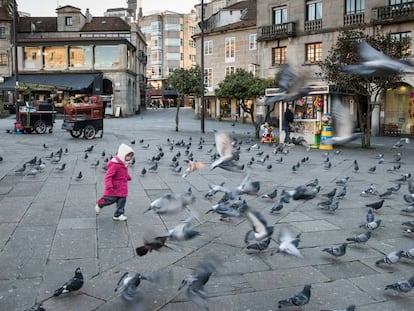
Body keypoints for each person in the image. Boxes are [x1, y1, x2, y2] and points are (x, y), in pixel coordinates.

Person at [95, 143, 135, 221]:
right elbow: (108, 176)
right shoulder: (115, 165)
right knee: (110, 200)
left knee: (122, 201)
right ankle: (100, 204)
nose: (129, 158)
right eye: (128, 156)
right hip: (114, 187)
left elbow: (124, 173)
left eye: (130, 156)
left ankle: (118, 214)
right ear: (122, 154)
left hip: (122, 187)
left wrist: (128, 177)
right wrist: (109, 185)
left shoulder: (124, 163)